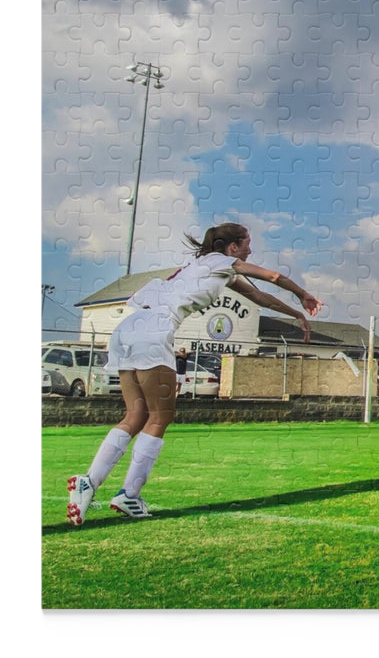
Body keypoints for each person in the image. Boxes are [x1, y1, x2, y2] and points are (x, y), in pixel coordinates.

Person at [67, 223, 323, 525]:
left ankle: (89, 483)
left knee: (135, 415)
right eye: (247, 243)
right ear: (232, 247)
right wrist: (304, 295)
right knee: (160, 417)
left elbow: (259, 297)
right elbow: (273, 276)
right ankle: (129, 496)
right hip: (155, 329)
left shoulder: (202, 265)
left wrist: (295, 314)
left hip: (128, 329)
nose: (250, 249)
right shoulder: (222, 263)